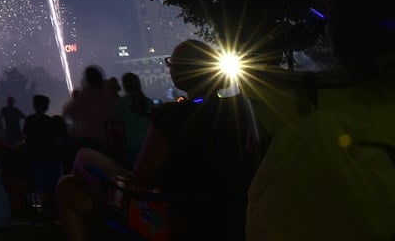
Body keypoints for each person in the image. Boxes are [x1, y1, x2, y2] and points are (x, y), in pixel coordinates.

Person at [56, 39, 251, 241]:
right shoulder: (240, 108)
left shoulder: (172, 114)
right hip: (232, 213)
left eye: (171, 63)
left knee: (74, 173)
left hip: (174, 219)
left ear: (181, 72)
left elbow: (141, 180)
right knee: (74, 181)